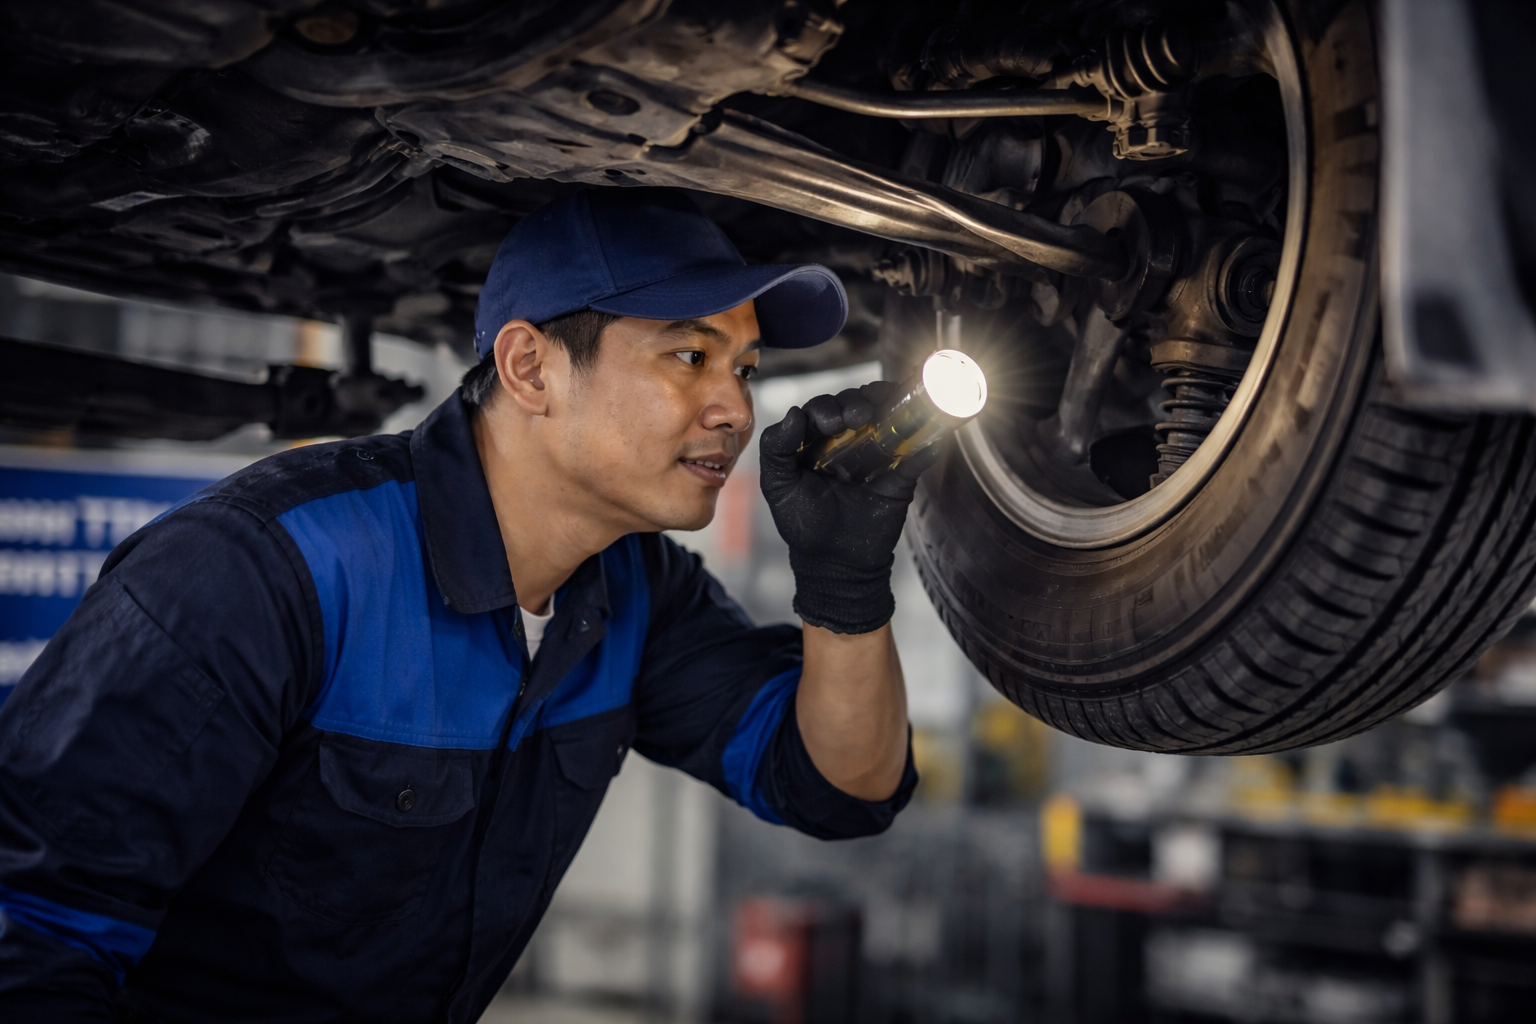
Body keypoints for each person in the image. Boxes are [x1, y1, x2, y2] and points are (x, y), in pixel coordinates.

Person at [0, 188, 934, 1021]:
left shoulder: (633, 587)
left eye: (745, 369)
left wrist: (842, 581)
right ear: (529, 368)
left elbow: (838, 785)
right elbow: (31, 931)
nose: (733, 407)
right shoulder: (274, 569)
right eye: (689, 355)